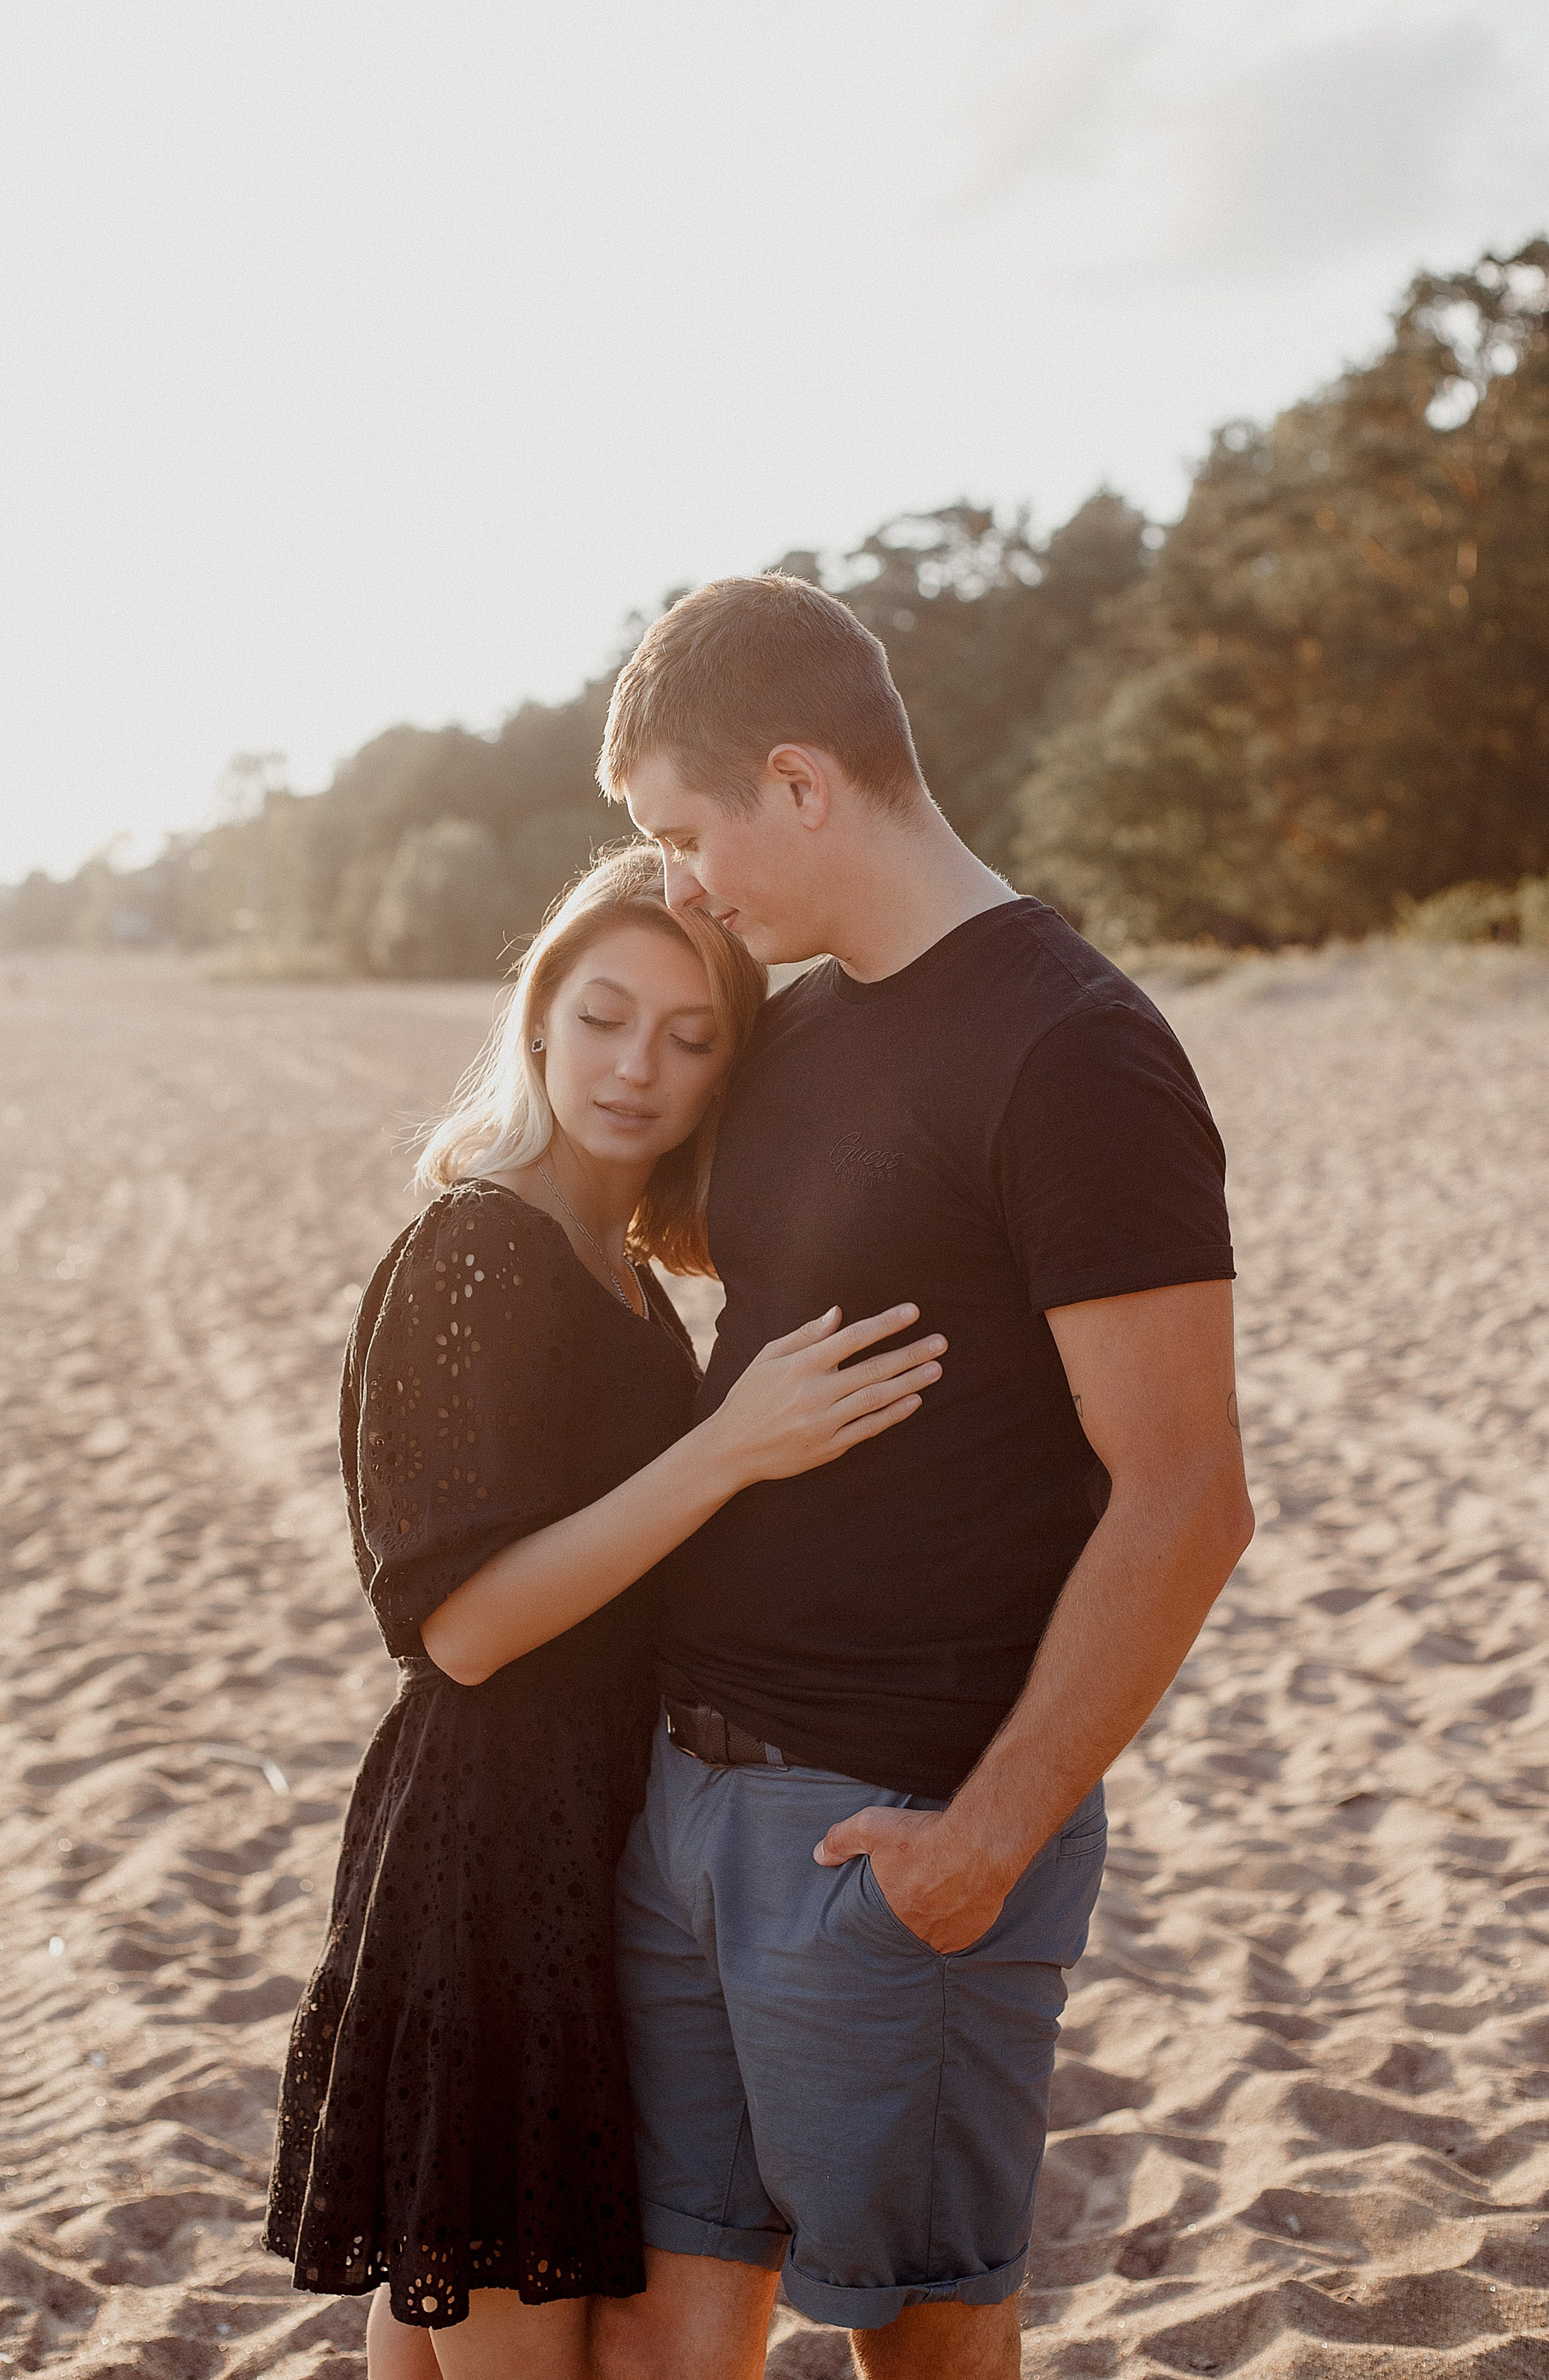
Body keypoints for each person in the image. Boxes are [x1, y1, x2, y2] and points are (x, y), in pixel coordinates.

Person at [590, 577, 1254, 2380]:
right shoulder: (799, 1023)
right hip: (684, 1803)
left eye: (682, 832)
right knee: (668, 2318)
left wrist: (982, 1842)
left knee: (925, 2338)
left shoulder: (1074, 1050)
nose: (679, 879)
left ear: (798, 784)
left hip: (887, 1827)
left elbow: (1186, 1495)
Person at [263, 844, 948, 2379]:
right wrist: (728, 1450)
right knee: (507, 2320)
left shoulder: (621, 1266)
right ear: (537, 1021)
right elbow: (464, 1629)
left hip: (600, 1832)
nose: (637, 1066)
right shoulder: (477, 1251)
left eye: (690, 1036)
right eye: (601, 1017)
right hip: (494, 1853)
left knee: (446, 2311)